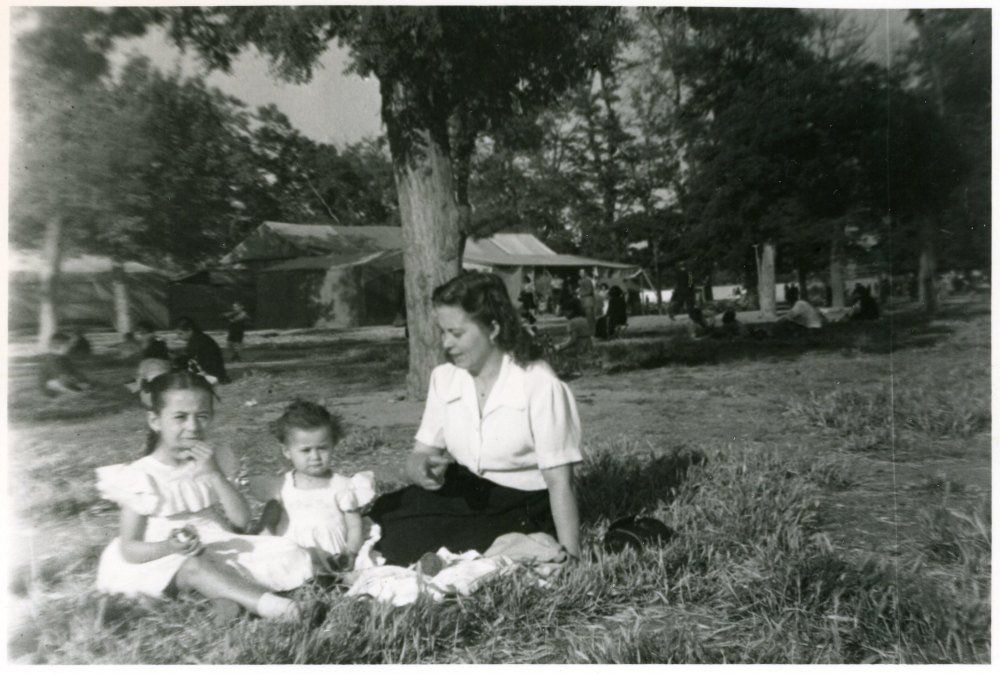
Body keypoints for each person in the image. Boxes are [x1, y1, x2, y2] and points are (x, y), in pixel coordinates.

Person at [369, 271, 584, 566]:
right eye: (442, 332)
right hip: (466, 488)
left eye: (456, 333)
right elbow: (419, 454)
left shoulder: (539, 384)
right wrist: (422, 469)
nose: (446, 343)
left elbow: (561, 482)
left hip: (522, 501)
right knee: (383, 513)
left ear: (493, 328)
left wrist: (572, 555)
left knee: (406, 544)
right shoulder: (445, 378)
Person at [93, 371, 313, 620]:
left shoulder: (214, 459)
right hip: (163, 556)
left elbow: (241, 522)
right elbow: (129, 549)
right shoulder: (140, 476)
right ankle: (280, 608)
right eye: (180, 417)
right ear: (155, 420)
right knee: (196, 567)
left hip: (215, 542)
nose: (193, 426)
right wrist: (170, 546)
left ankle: (219, 602)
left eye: (202, 416)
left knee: (288, 550)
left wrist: (215, 474)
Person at [247, 400, 376, 572]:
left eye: (322, 448)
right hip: (291, 554)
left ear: (333, 445)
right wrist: (266, 542)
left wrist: (350, 552)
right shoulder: (281, 486)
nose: (315, 457)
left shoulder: (342, 486)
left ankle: (328, 575)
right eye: (306, 450)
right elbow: (267, 522)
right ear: (287, 451)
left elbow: (354, 526)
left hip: (332, 553)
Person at [175, 317, 228, 384]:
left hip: (211, 377)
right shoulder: (201, 337)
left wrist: (175, 360)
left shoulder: (196, 341)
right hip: (218, 374)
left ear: (190, 330)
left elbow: (186, 359)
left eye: (180, 333)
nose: (178, 337)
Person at [38, 332, 93, 397]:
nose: (69, 348)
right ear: (58, 346)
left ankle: (76, 390)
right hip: (51, 385)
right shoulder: (51, 359)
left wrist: (83, 381)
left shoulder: (64, 358)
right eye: (67, 346)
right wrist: (72, 382)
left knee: (79, 382)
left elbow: (74, 371)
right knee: (53, 383)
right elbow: (59, 375)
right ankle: (73, 392)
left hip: (64, 380)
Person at [577, 269, 597, 336]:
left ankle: (592, 331)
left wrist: (580, 293)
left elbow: (589, 291)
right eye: (580, 273)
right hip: (584, 300)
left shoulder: (587, 280)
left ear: (585, 273)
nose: (580, 274)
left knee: (590, 317)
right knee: (586, 317)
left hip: (588, 300)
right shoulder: (582, 280)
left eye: (582, 273)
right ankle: (589, 331)